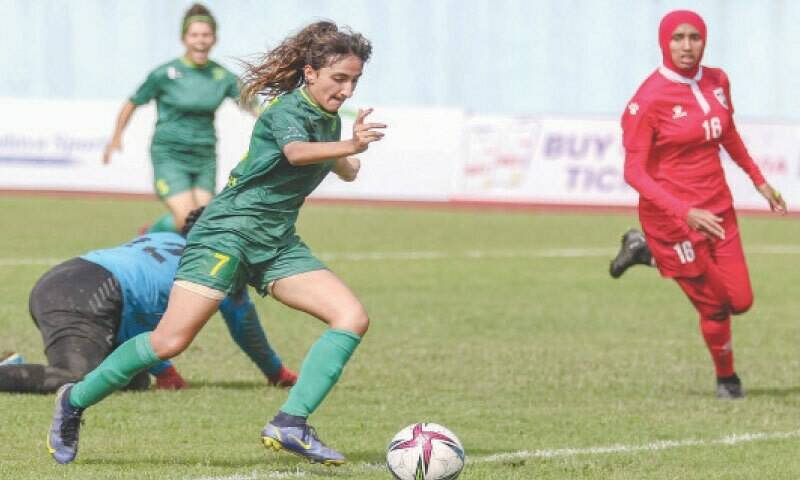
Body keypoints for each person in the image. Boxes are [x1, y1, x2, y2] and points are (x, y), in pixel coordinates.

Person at [47, 21, 385, 466]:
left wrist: (348, 155)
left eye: (354, 81)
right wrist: (345, 145)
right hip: (226, 232)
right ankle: (74, 400)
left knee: (350, 317)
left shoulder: (329, 121)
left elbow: (343, 165)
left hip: (276, 242)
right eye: (338, 78)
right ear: (310, 73)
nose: (346, 89)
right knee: (169, 341)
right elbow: (295, 153)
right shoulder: (286, 112)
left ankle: (291, 423)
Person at [619, 10, 787, 399]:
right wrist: (684, 211)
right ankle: (727, 380)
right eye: (677, 38)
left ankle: (645, 253)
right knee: (715, 307)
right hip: (674, 221)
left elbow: (728, 133)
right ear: (664, 42)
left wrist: (758, 179)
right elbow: (634, 173)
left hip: (719, 209)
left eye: (694, 37)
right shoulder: (648, 100)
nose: (686, 46)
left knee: (741, 300)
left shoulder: (717, 80)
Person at [3, 208, 296, 396]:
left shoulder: (167, 237)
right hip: (90, 295)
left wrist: (159, 370)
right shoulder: (217, 265)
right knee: (78, 379)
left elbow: (135, 304)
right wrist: (277, 372)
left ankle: (12, 366)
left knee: (133, 381)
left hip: (67, 278)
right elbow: (245, 326)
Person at [102, 4, 244, 233]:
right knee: (189, 218)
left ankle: (163, 236)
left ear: (214, 39)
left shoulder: (223, 76)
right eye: (194, 35)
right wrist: (116, 136)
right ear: (184, 38)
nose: (200, 40)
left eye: (206, 35)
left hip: (204, 155)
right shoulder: (164, 74)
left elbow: (252, 105)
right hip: (170, 154)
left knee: (207, 221)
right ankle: (152, 233)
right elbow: (132, 102)